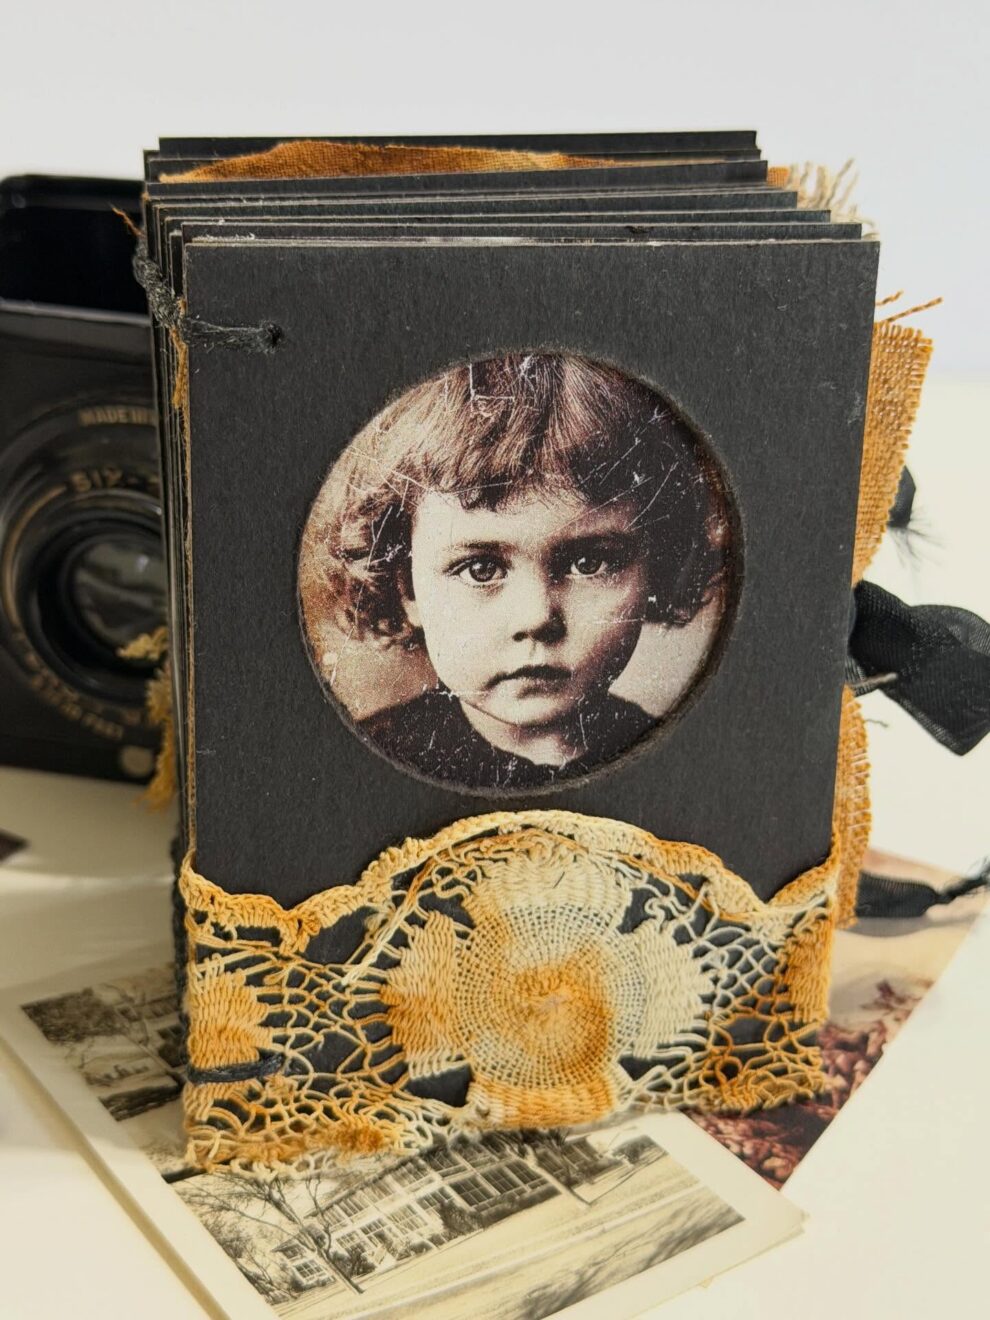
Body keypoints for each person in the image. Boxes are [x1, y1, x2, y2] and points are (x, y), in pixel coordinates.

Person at [298, 353, 729, 790]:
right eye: (481, 569)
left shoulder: (690, 769)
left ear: (656, 568)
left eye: (589, 563)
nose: (536, 618)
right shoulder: (353, 766)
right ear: (407, 588)